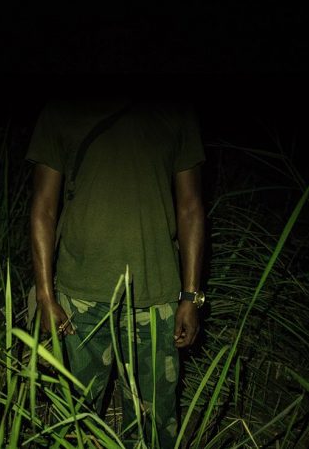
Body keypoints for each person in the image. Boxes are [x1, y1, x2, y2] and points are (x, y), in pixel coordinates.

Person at [27, 95, 206, 448]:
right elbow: (43, 209)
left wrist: (190, 295)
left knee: (154, 427)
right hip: (78, 301)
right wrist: (45, 295)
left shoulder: (175, 109)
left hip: (156, 300)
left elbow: (191, 208)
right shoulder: (62, 108)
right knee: (72, 424)